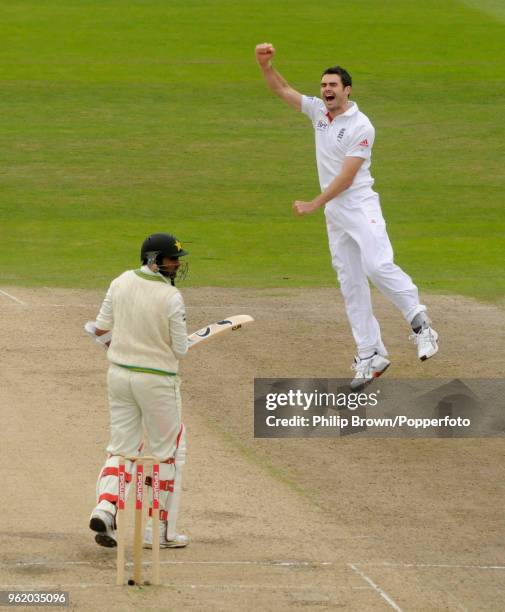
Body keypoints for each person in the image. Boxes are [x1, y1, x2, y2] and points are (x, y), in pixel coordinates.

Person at [255, 43, 439, 390]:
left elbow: (347, 178)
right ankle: (371, 354)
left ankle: (422, 325)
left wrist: (313, 203)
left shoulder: (362, 126)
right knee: (351, 284)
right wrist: (265, 65)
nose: (326, 90)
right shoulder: (318, 114)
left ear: (347, 90)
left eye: (333, 86)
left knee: (377, 266)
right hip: (336, 213)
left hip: (359, 205)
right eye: (323, 85)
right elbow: (281, 88)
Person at [88, 232, 189, 549]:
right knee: (165, 454)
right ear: (154, 261)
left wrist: (117, 346)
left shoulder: (119, 282)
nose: (176, 264)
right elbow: (182, 349)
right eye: (171, 259)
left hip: (119, 376)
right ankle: (156, 532)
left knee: (121, 449)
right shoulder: (171, 298)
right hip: (157, 381)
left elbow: (100, 329)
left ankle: (105, 508)